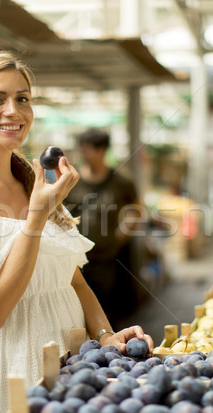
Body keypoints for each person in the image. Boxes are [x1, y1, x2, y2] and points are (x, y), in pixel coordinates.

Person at [0, 51, 153, 413]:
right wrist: (37, 216)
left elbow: (72, 280)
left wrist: (106, 337)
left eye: (23, 98)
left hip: (69, 365)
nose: (13, 110)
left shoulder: (32, 180)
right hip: (2, 371)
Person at [65, 128, 143, 329]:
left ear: (102, 151)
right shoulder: (70, 179)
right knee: (74, 309)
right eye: (81, 150)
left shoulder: (121, 182)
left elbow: (136, 210)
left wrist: (121, 235)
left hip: (107, 258)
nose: (82, 155)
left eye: (87, 150)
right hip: (75, 257)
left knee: (107, 307)